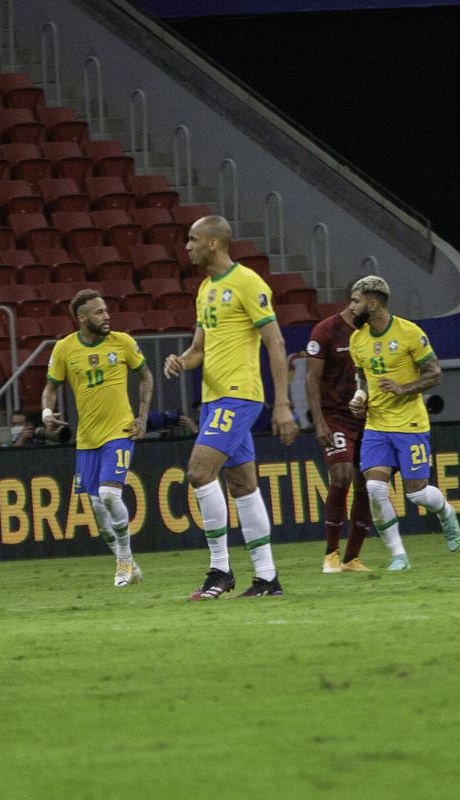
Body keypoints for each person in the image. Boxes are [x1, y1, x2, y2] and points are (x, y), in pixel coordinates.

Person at [163, 215, 297, 600]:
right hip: (213, 399)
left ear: (214, 243)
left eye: (193, 239)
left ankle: (220, 570)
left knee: (199, 471)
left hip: (239, 396)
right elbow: (199, 350)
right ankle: (267, 578)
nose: (187, 246)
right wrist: (181, 361)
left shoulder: (248, 282)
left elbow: (275, 343)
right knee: (243, 485)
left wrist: (282, 403)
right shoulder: (205, 289)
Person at [346, 275, 460, 570]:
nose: (350, 308)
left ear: (373, 304)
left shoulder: (410, 333)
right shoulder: (357, 339)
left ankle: (445, 511)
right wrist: (360, 397)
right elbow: (362, 377)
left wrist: (403, 389)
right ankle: (398, 555)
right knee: (375, 489)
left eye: (356, 301)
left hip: (410, 425)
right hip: (376, 425)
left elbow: (435, 373)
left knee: (417, 494)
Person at [41, 288, 154, 587]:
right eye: (99, 312)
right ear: (82, 318)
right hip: (87, 439)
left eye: (106, 310)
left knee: (108, 495)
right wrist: (46, 413)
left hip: (119, 432)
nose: (106, 316)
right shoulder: (64, 349)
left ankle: (124, 562)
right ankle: (128, 564)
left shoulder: (123, 342)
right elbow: (51, 387)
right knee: (97, 509)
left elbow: (146, 375)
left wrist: (142, 417)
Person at [305, 287, 373, 573]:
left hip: (368, 418)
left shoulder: (372, 332)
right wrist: (319, 421)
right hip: (334, 416)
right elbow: (311, 378)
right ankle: (331, 554)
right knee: (342, 474)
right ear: (354, 301)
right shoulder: (326, 331)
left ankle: (352, 558)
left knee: (368, 482)